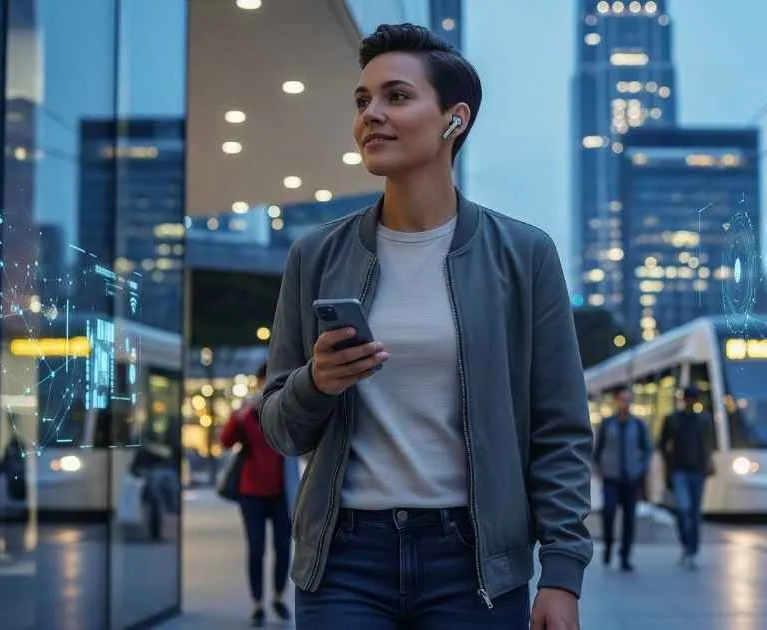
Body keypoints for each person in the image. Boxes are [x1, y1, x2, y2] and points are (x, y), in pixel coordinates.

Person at [259, 23, 592, 630]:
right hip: (344, 560)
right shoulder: (316, 256)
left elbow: (560, 429)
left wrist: (562, 573)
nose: (371, 116)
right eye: (362, 101)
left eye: (397, 97)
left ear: (454, 119)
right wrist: (318, 381)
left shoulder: (524, 255)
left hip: (475, 564)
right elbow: (280, 428)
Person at [222, 363, 292, 627]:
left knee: (284, 548)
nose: (268, 385)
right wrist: (238, 416)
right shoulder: (248, 414)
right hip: (251, 492)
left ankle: (277, 597)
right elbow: (226, 441)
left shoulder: (285, 412)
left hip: (282, 491)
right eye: (265, 379)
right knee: (256, 549)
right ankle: (257, 603)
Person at [592, 386, 650, 571]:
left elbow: (647, 449)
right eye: (623, 399)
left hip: (631, 479)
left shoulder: (638, 425)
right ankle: (608, 546)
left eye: (628, 399)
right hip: (611, 478)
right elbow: (597, 449)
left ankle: (625, 556)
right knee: (608, 513)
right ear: (616, 401)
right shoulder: (607, 424)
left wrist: (640, 467)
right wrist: (599, 468)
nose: (626, 403)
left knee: (629, 519)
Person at [658, 386, 715, 570]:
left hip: (697, 471)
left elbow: (708, 444)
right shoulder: (673, 419)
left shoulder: (704, 420)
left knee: (694, 512)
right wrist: (669, 465)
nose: (690, 402)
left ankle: (691, 550)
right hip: (680, 471)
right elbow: (662, 444)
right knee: (684, 509)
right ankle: (687, 546)